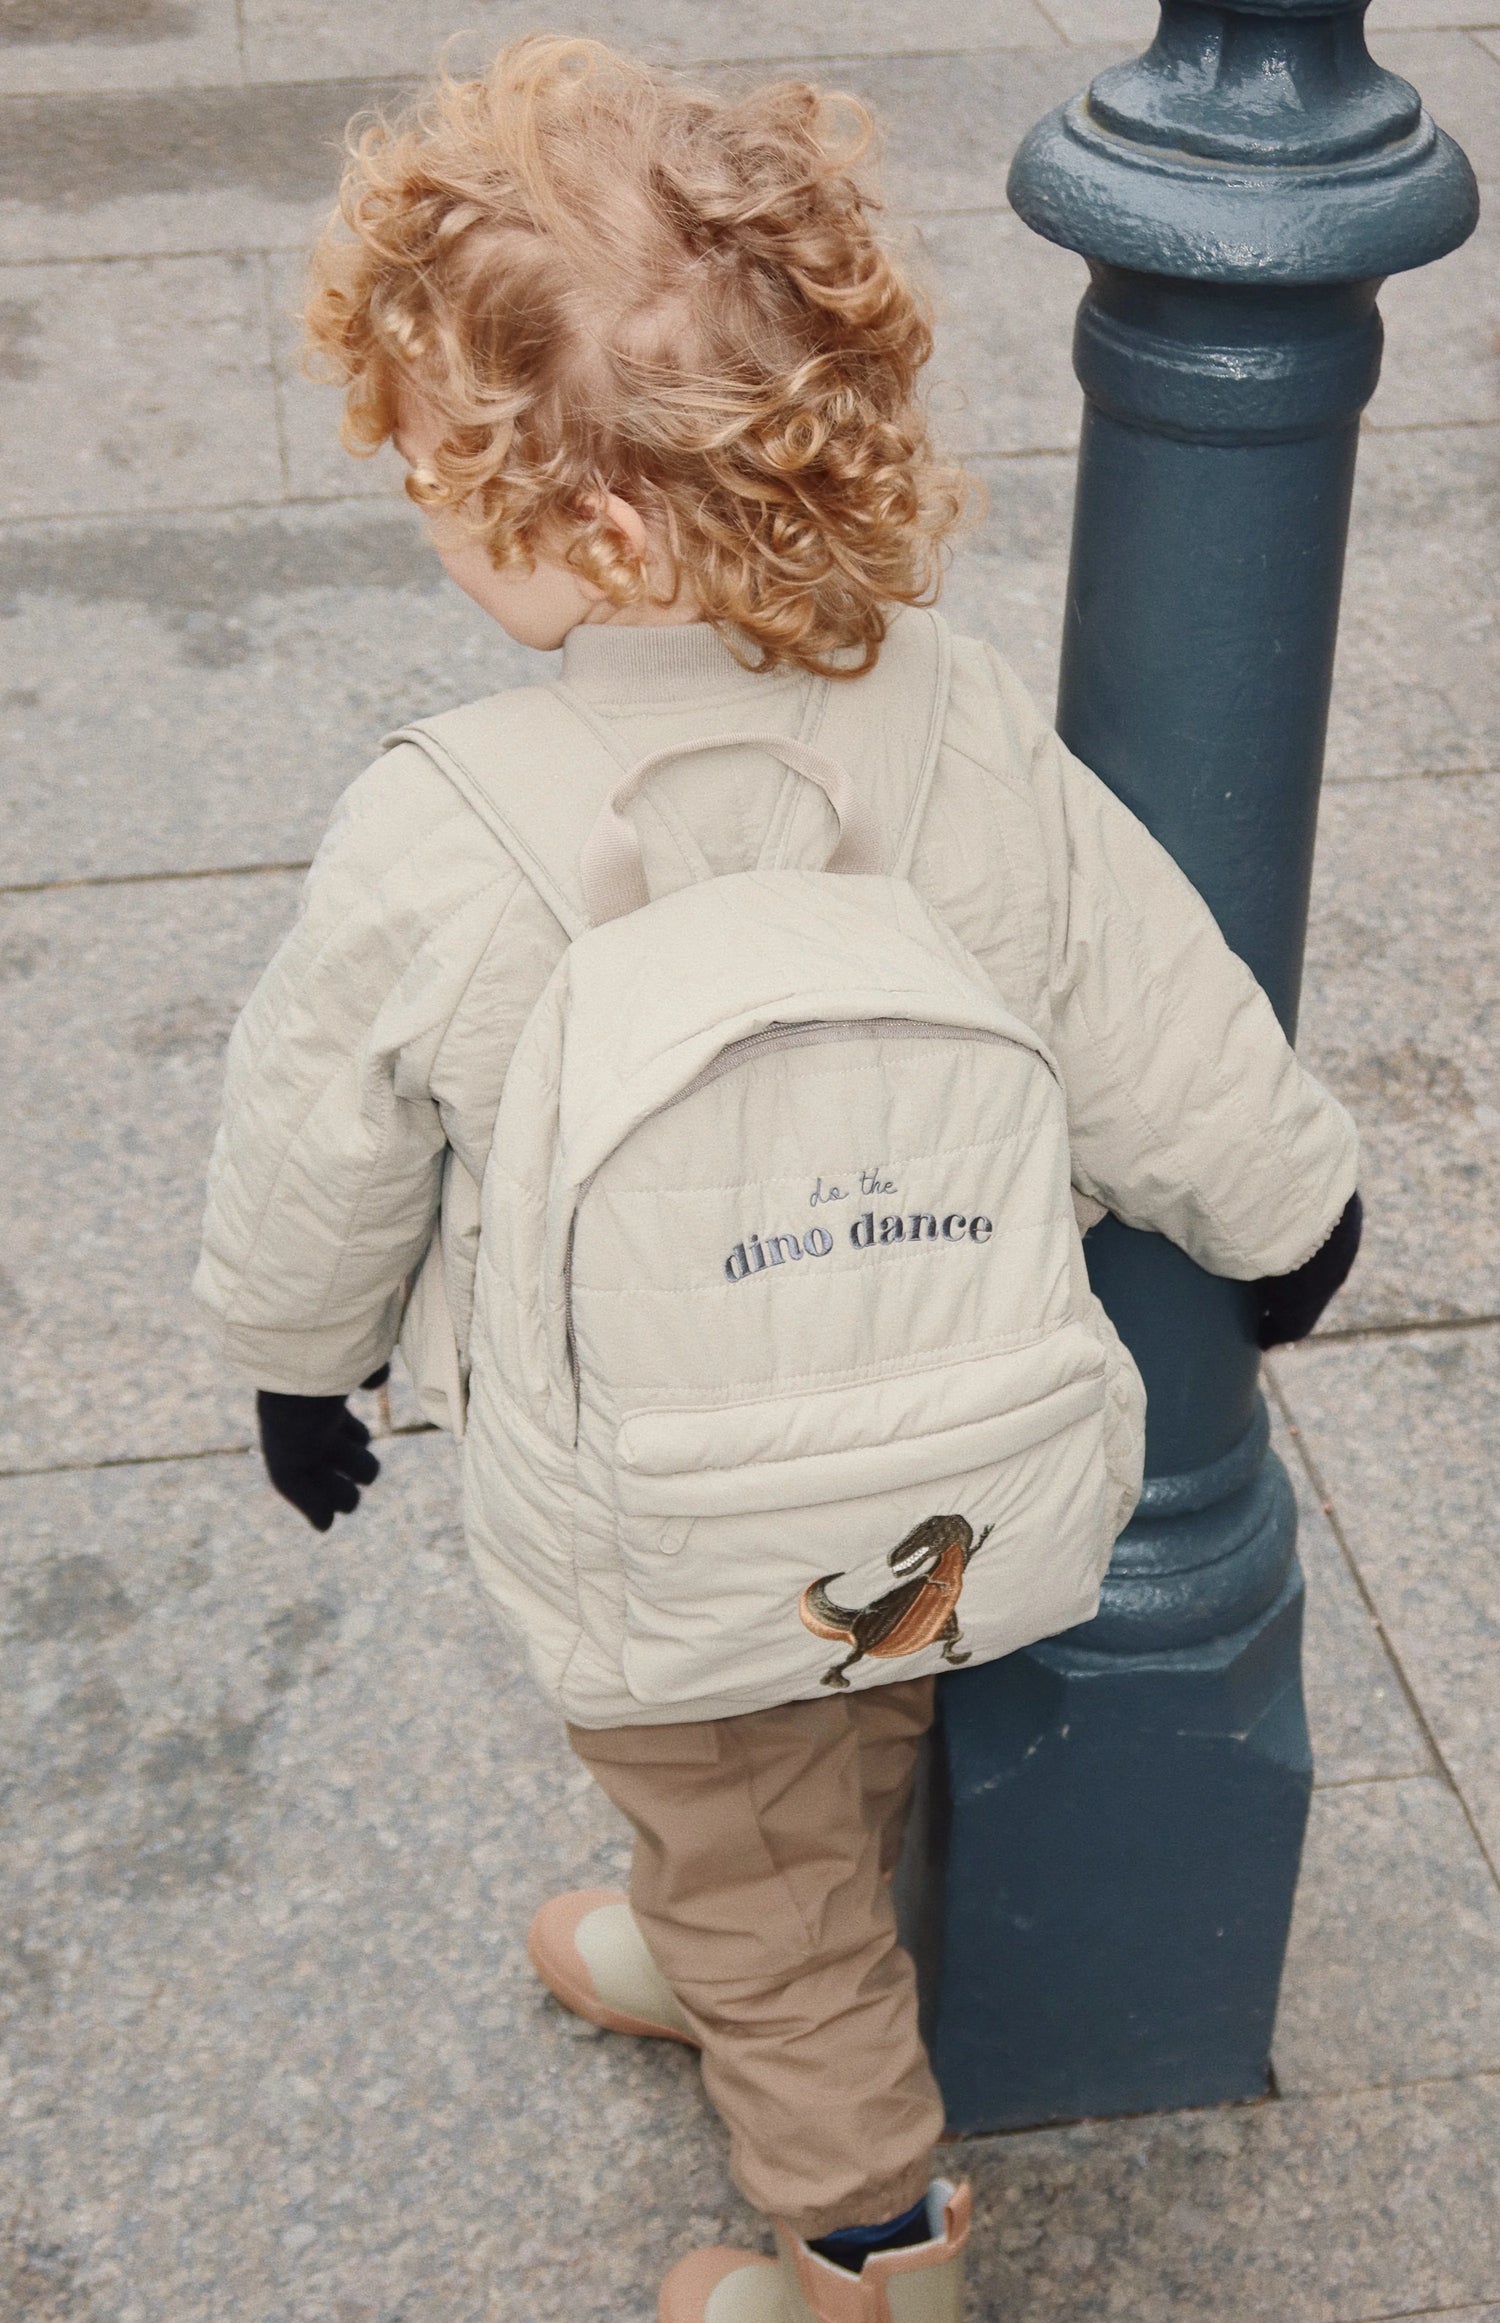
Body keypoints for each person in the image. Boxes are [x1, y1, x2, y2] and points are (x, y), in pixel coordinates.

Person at [194, 36, 1361, 2322]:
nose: (424, 516)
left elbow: (318, 1135)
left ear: (593, 531)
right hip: (933, 1467)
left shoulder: (447, 823)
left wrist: (292, 1366)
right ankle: (731, 1924)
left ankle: (866, 2247)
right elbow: (1143, 994)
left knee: (739, 1818)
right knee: (834, 1730)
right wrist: (1287, 1205)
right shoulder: (936, 709)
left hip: (664, 1508)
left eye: (442, 478)